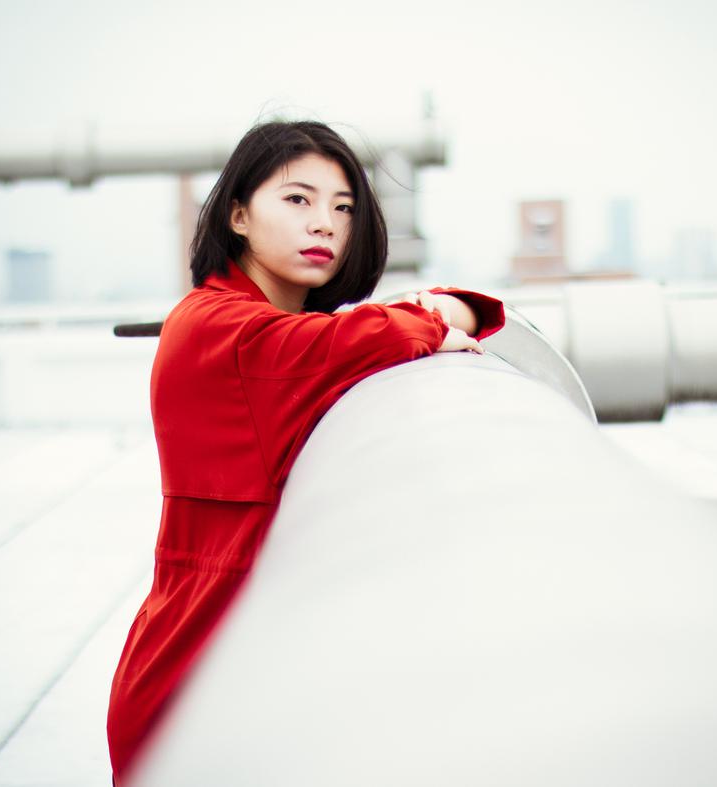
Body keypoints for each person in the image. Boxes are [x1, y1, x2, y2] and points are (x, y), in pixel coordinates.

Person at [106, 120, 505, 783]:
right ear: (237, 215)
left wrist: (432, 314)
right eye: (298, 199)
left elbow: (348, 337)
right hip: (197, 688)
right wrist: (441, 314)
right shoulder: (224, 328)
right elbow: (371, 336)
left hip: (221, 662)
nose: (325, 223)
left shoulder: (242, 321)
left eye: (343, 208)